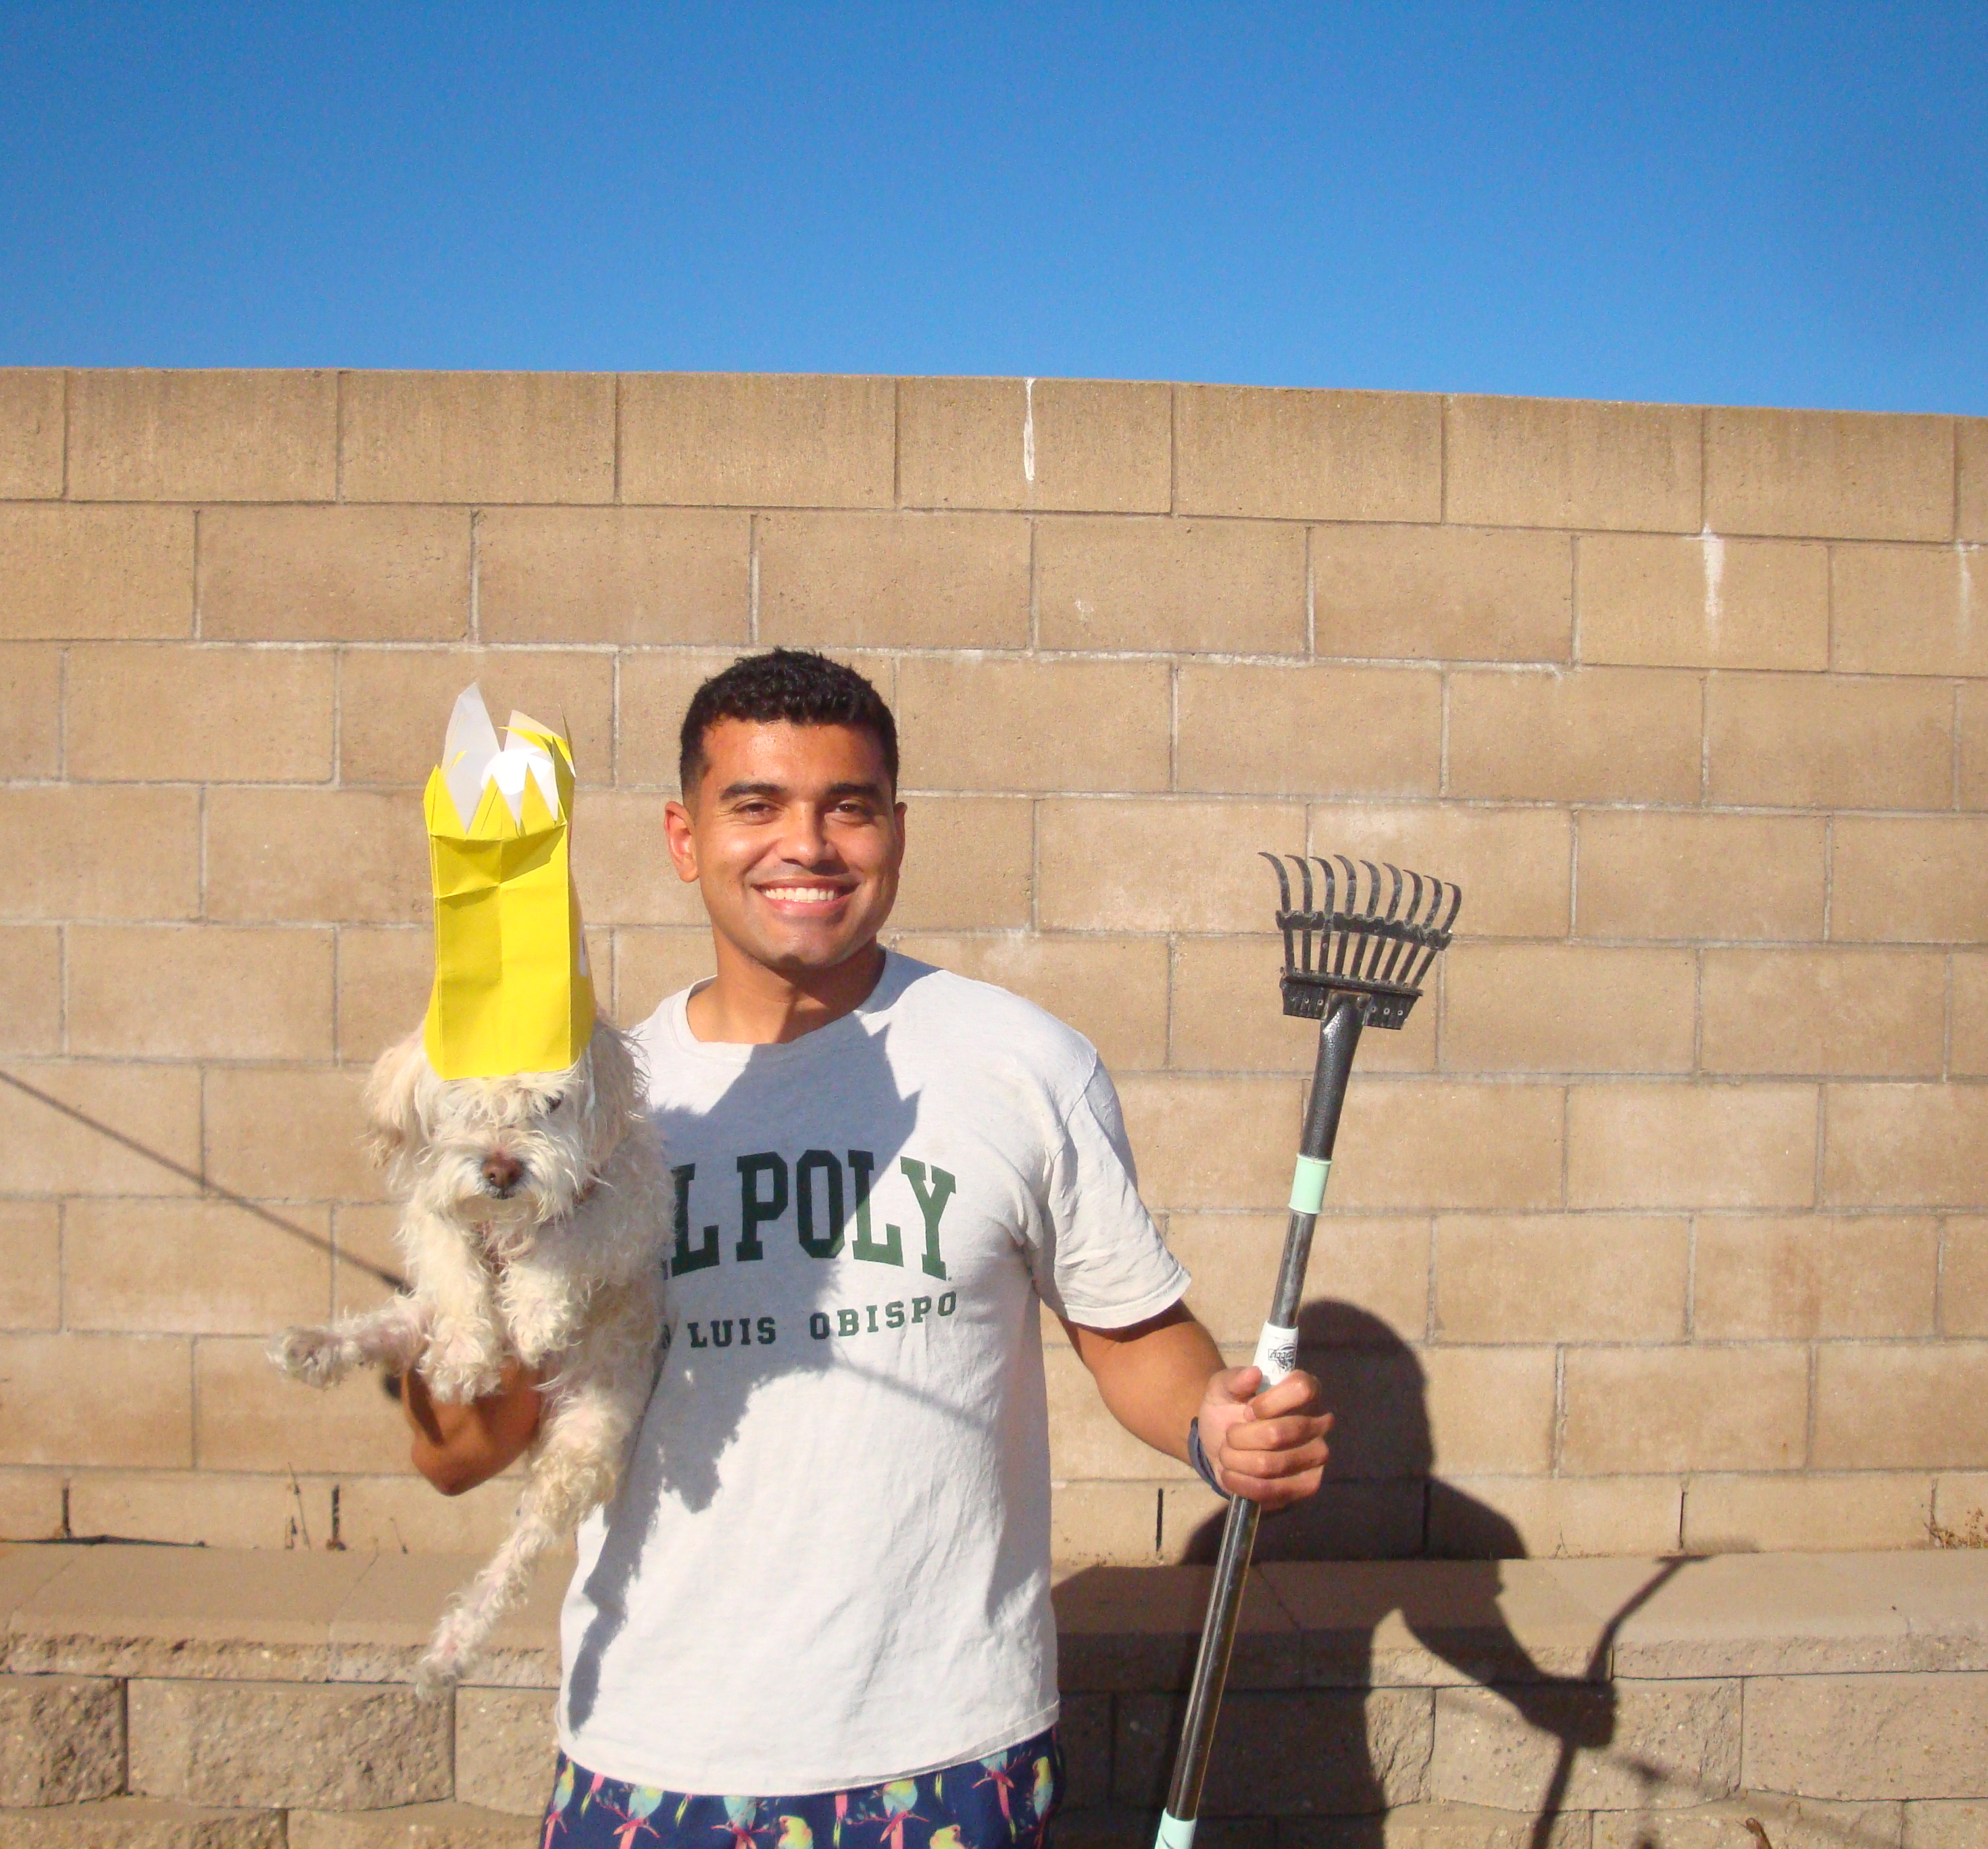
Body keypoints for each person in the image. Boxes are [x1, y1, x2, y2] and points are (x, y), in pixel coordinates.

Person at [400, 648, 1333, 1845]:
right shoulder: (603, 1117)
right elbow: (460, 1452)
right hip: (654, 1749)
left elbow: (1131, 1333)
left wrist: (1218, 1423)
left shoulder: (1018, 1063)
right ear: (685, 839)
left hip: (942, 1752)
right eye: (757, 806)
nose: (808, 844)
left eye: (850, 806)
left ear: (898, 828)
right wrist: (468, 1228)